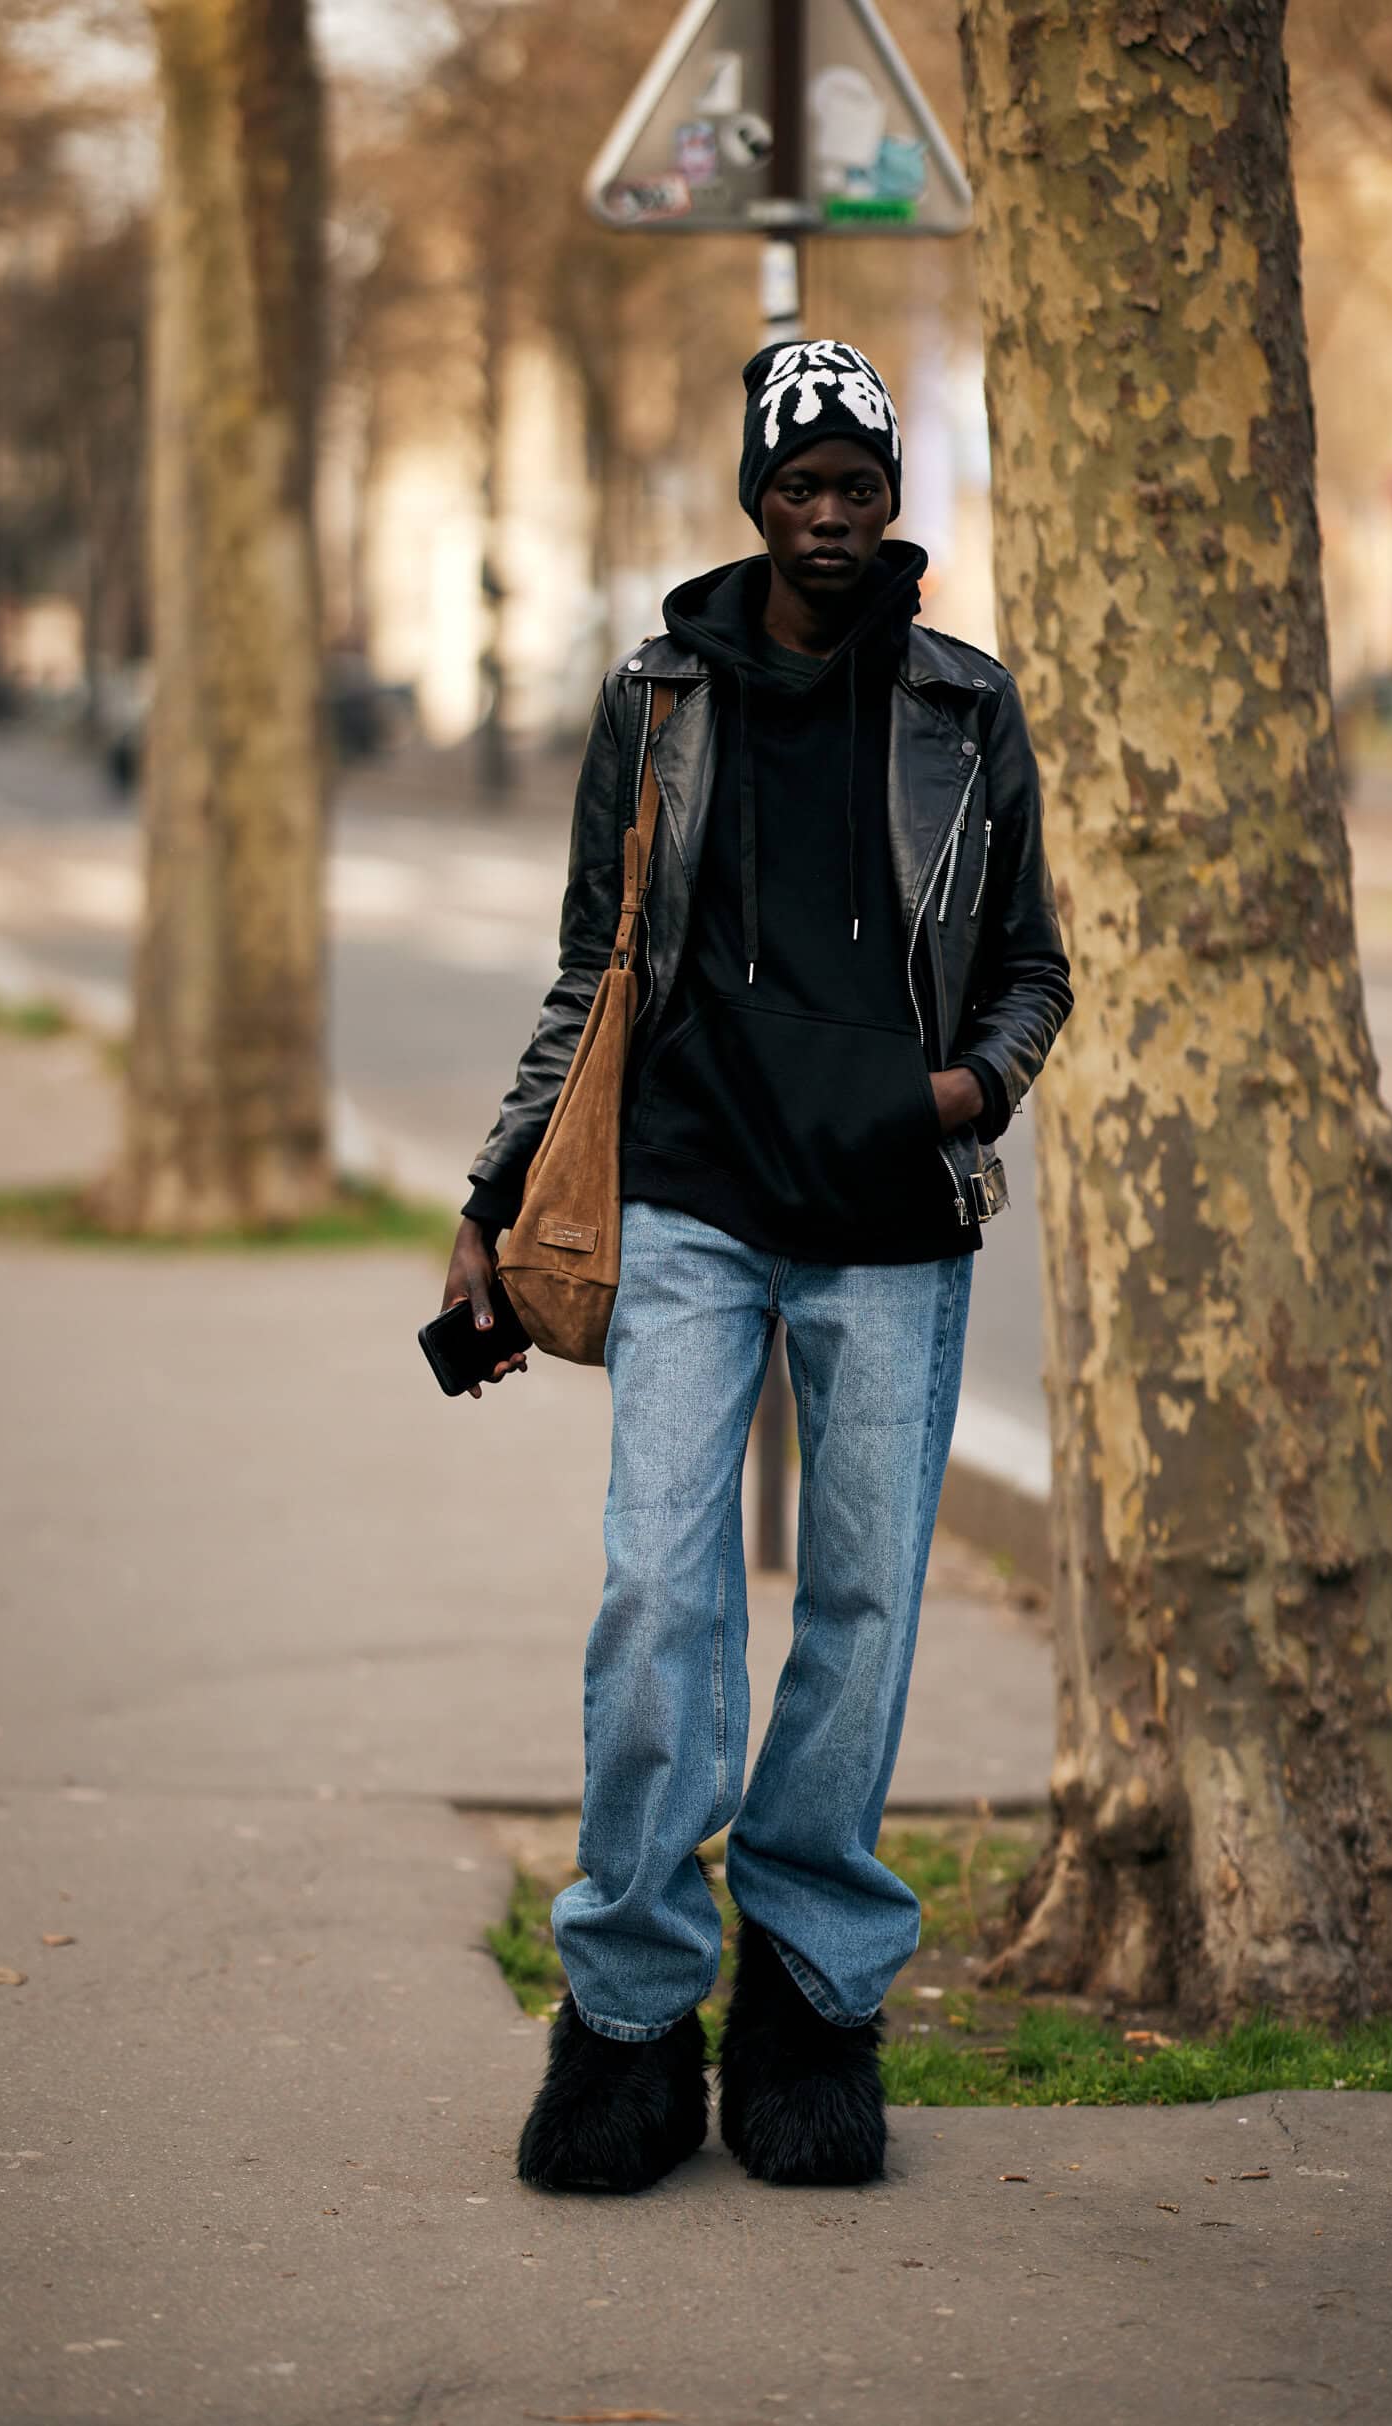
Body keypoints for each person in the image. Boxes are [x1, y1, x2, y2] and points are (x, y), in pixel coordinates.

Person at [443, 338, 1072, 2195]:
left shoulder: (968, 705)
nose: (826, 514)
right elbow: (595, 973)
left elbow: (1036, 968)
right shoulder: (659, 699)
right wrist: (494, 1197)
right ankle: (629, 2015)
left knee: (864, 1612)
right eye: (796, 485)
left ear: (891, 502)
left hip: (888, 1228)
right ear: (755, 494)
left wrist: (957, 1091)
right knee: (662, 1598)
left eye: (856, 485)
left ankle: (809, 1994)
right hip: (697, 1209)